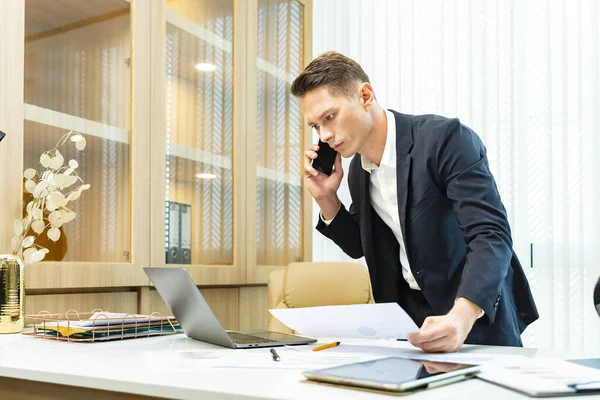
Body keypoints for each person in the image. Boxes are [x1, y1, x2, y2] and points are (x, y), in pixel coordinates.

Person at [292, 51, 539, 352]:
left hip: (470, 313)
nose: (325, 135)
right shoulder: (358, 168)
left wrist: (461, 317)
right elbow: (361, 245)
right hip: (410, 322)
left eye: (329, 117)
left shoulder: (446, 139)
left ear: (365, 96)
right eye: (315, 126)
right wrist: (326, 197)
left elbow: (491, 235)